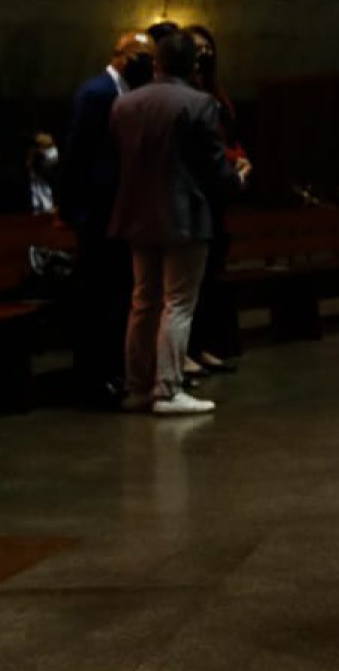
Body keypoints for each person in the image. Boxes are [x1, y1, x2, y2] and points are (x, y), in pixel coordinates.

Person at [109, 29, 248, 416]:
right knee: (178, 304)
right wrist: (236, 179)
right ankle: (167, 390)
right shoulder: (199, 104)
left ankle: (136, 386)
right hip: (184, 216)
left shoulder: (124, 104)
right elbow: (212, 167)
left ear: (156, 62)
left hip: (136, 214)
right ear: (192, 66)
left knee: (143, 302)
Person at [60, 31, 154, 406]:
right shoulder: (97, 93)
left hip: (118, 212)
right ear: (122, 56)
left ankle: (112, 372)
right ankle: (91, 378)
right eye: (142, 57)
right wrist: (75, 211)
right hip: (96, 212)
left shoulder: (126, 94)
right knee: (95, 298)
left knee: (116, 296)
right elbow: (77, 155)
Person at [183, 23, 244, 377]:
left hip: (219, 196)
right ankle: (187, 350)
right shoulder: (185, 97)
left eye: (208, 48)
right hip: (198, 194)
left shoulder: (216, 94)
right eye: (196, 48)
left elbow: (226, 136)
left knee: (211, 280)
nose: (203, 55)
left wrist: (239, 158)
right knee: (191, 284)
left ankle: (204, 345)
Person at [26, 132, 59, 216]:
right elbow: (30, 163)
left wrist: (41, 156)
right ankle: (37, 206)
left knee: (44, 188)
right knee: (36, 187)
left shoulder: (52, 151)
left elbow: (49, 162)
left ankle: (47, 207)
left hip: (45, 173)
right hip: (37, 174)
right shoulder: (35, 151)